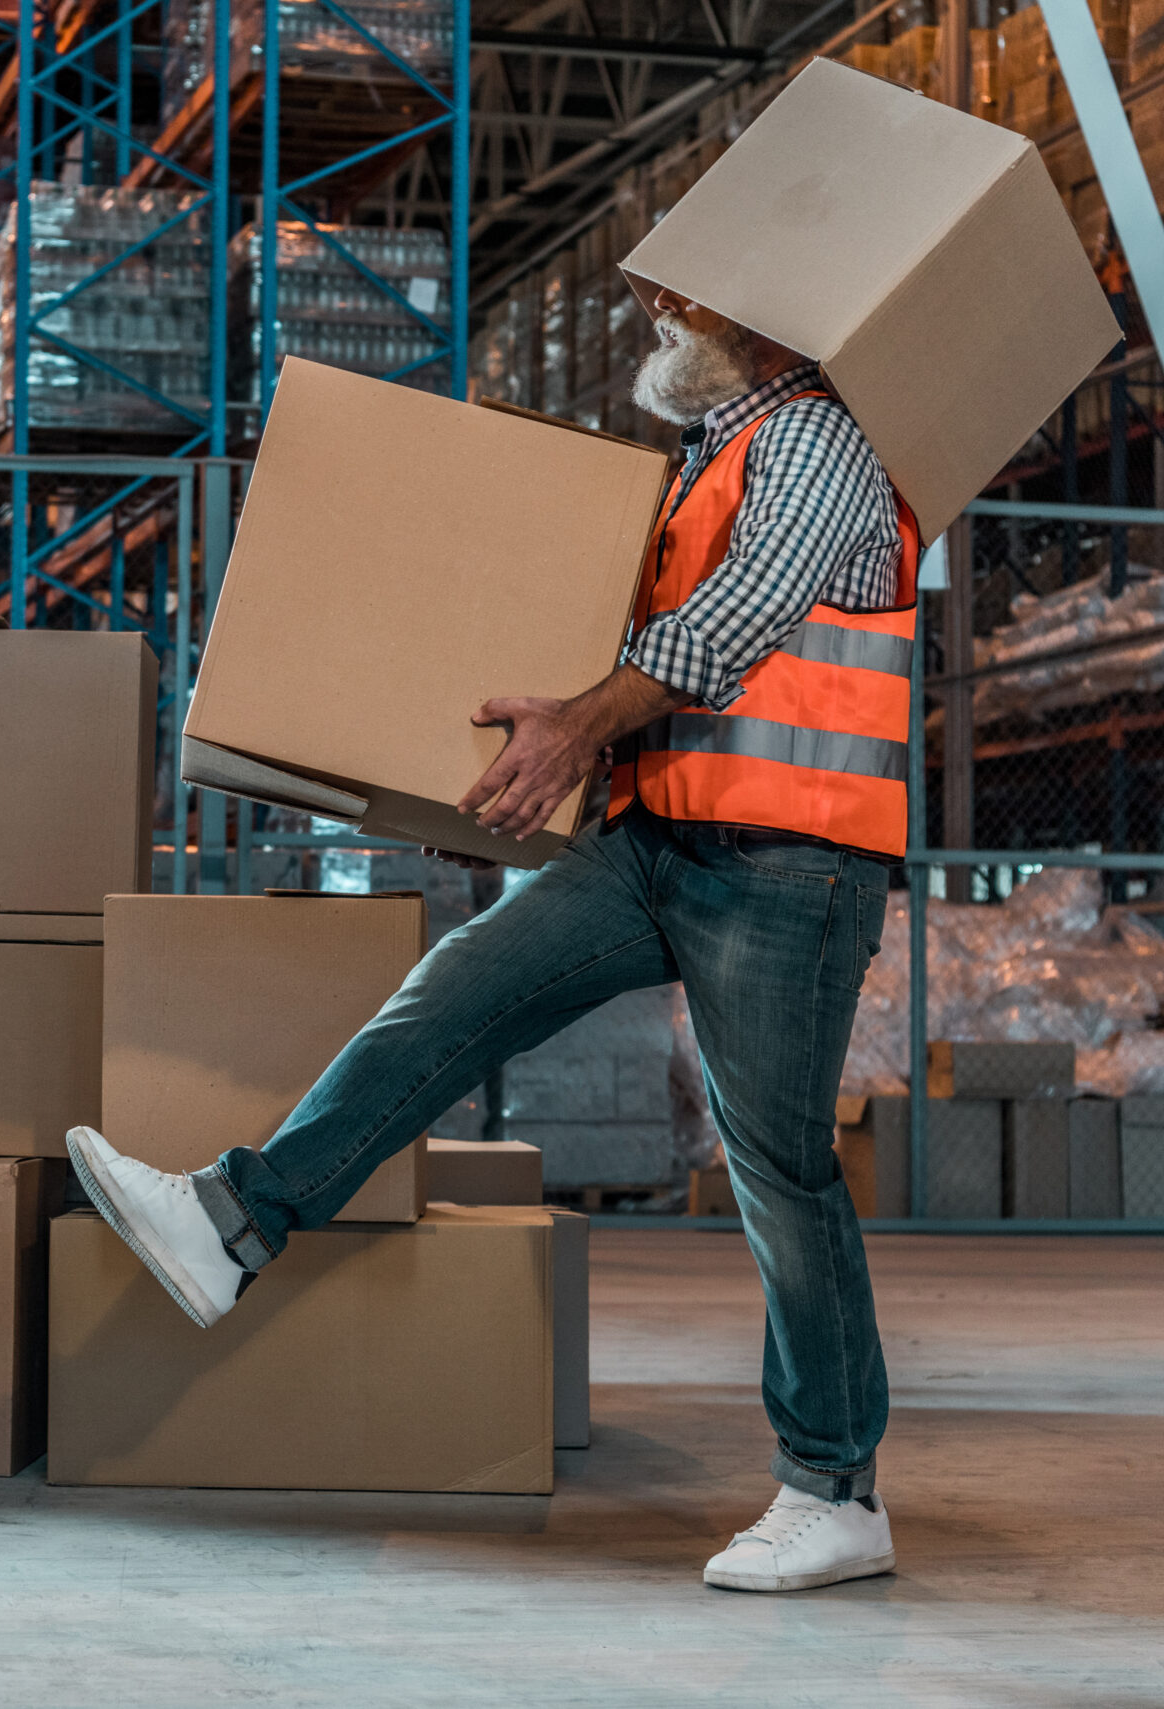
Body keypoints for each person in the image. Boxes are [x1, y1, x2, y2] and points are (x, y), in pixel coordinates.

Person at [66, 286, 918, 1595]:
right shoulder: (709, 458)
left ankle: (834, 1487)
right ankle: (234, 1221)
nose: (658, 308)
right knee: (450, 998)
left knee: (778, 1168)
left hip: (787, 868)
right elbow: (625, 656)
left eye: (686, 295)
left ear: (756, 315)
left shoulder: (815, 437)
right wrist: (521, 782)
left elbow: (732, 626)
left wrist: (575, 726)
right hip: (653, 844)